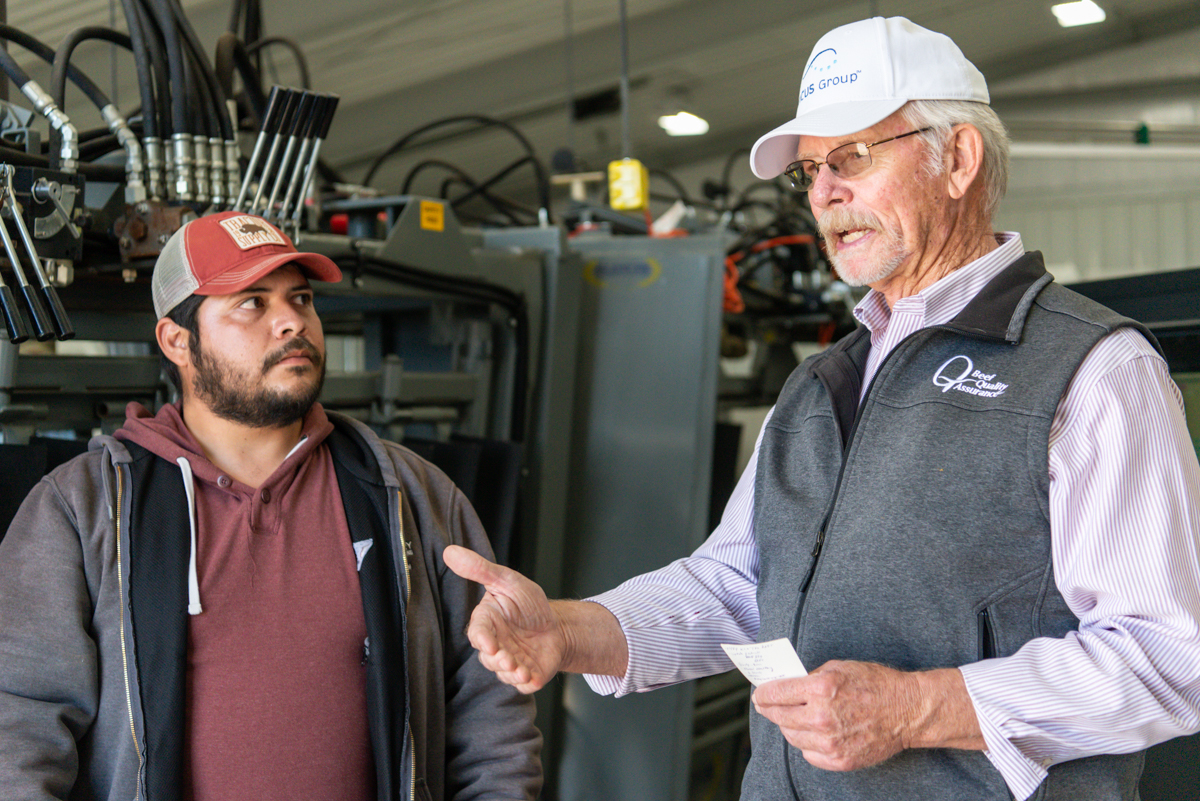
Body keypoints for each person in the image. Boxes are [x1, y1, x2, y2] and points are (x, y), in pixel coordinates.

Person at [443, 16, 1200, 801]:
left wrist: (915, 709)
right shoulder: (819, 385)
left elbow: (1169, 654)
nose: (825, 193)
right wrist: (564, 631)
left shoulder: (1093, 370)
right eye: (810, 172)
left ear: (959, 159)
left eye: (853, 157)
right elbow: (734, 585)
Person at [0, 211, 542, 800]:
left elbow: (492, 714)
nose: (292, 322)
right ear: (177, 341)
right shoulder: (82, 510)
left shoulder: (413, 496)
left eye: (301, 298)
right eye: (251, 302)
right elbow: (18, 728)